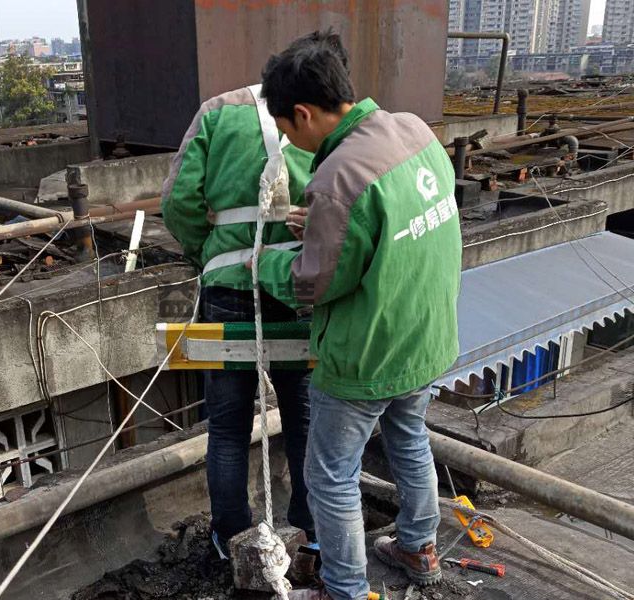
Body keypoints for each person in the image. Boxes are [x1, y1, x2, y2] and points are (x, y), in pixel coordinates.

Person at [255, 31, 462, 600]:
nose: (287, 140)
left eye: (285, 129)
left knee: (331, 475)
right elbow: (386, 228)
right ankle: (420, 548)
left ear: (302, 113)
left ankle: (344, 589)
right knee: (409, 438)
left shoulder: (339, 178)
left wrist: (265, 264)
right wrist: (322, 224)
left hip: (368, 355)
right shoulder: (416, 132)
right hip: (425, 339)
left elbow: (315, 282)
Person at [161, 31, 350, 559]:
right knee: (304, 417)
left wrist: (212, 253)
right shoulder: (328, 123)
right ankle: (310, 529)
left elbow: (177, 201)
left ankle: (233, 536)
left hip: (227, 285)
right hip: (295, 280)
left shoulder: (218, 112)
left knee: (227, 425)